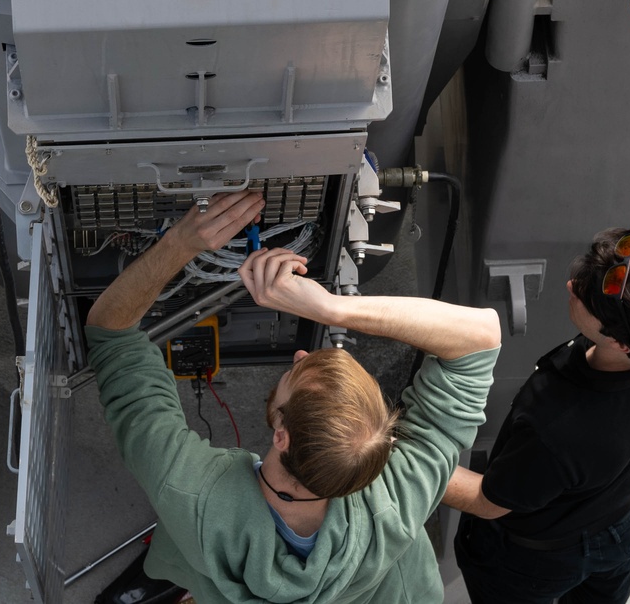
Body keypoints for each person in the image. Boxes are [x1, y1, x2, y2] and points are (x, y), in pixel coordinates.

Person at [443, 0, 630, 604]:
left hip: (536, 560)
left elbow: (489, 502)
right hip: (623, 522)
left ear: (617, 338)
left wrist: (379, 451)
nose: (570, 284)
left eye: (582, 297)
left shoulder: (558, 422)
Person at [85, 192, 501, 604]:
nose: (300, 353)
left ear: (281, 435)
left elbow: (110, 332)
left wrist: (180, 243)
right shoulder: (398, 497)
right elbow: (480, 337)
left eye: (296, 372)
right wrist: (334, 310)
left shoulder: (189, 490)